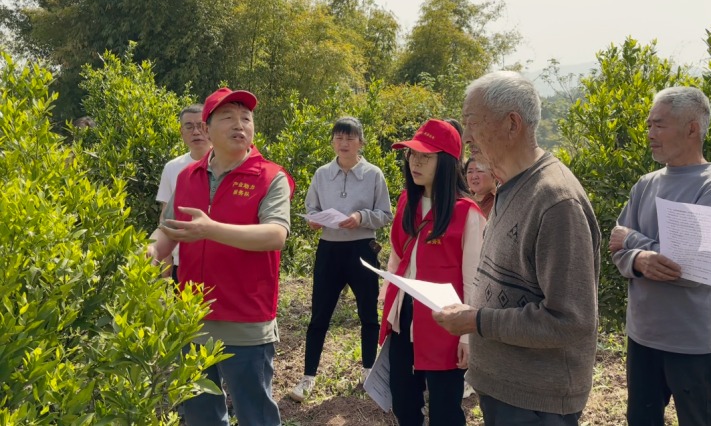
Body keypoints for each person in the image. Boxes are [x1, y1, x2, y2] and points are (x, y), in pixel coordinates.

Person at [433, 71, 601, 426]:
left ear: (513, 124)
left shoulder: (555, 201)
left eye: (473, 124)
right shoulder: (509, 185)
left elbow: (571, 320)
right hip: (506, 389)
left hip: (537, 401)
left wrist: (477, 321)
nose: (467, 138)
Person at [147, 87, 294, 426]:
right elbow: (167, 229)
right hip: (193, 318)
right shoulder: (187, 176)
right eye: (228, 117)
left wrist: (211, 229)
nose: (239, 125)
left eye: (246, 118)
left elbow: (275, 235)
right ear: (207, 129)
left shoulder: (271, 176)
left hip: (245, 320)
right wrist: (150, 251)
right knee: (200, 414)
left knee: (255, 414)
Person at [609, 87, 711, 426]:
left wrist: (635, 243)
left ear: (692, 128)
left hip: (693, 342)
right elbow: (615, 246)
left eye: (659, 125)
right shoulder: (645, 184)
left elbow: (691, 268)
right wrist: (638, 260)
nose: (650, 134)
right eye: (649, 125)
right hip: (643, 335)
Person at [379, 119, 485, 425]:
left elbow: (473, 279)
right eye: (412, 155)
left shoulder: (466, 213)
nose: (416, 162)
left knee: (444, 411)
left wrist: (467, 337)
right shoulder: (406, 204)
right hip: (405, 319)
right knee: (404, 402)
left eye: (426, 156)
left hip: (445, 324)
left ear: (448, 163)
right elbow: (397, 258)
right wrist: (389, 306)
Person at [290, 117, 392, 402]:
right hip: (329, 249)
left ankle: (368, 371)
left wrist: (361, 217)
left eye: (349, 138)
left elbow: (385, 214)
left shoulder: (374, 174)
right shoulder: (322, 174)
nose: (343, 143)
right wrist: (313, 219)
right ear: (333, 141)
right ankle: (308, 376)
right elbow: (312, 207)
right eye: (338, 138)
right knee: (319, 315)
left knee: (368, 314)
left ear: (360, 142)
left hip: (362, 248)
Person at [155, 104, 212, 282]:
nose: (196, 132)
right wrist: (165, 258)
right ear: (181, 132)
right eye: (189, 126)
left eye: (200, 125)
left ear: (209, 128)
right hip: (182, 258)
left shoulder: (224, 163)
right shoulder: (173, 167)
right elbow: (166, 215)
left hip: (216, 256)